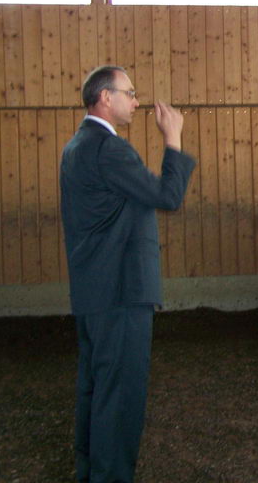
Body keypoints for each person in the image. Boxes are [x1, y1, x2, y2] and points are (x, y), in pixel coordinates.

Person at [61, 65, 196, 483]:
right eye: (130, 93)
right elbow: (167, 196)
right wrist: (172, 141)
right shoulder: (110, 149)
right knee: (120, 398)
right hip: (120, 290)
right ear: (105, 97)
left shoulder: (76, 146)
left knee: (96, 390)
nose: (136, 102)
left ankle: (91, 472)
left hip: (93, 288)